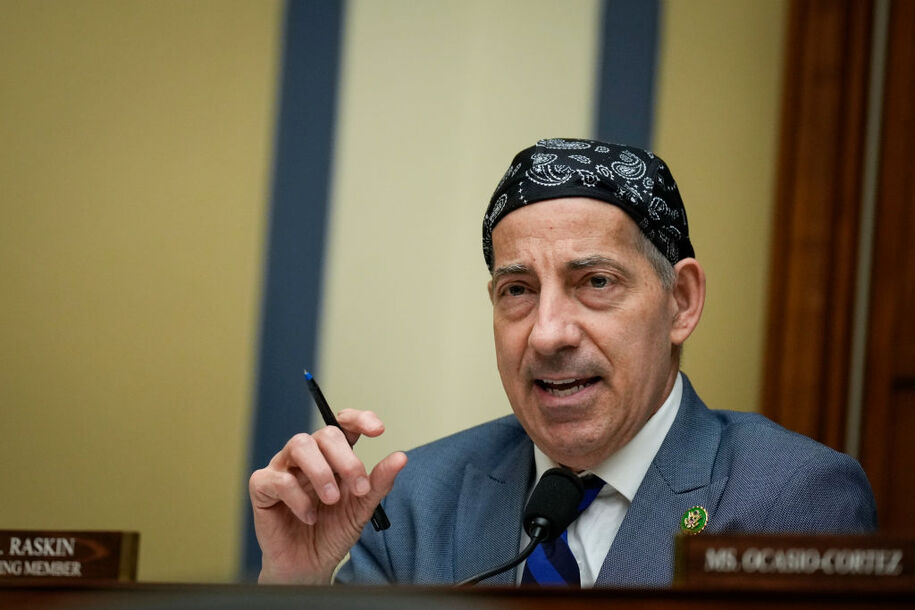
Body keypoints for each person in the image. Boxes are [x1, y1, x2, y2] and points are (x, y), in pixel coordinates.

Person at [248, 138, 877, 587]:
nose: (547, 334)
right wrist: (293, 586)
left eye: (596, 282)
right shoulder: (417, 499)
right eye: (517, 291)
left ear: (680, 302)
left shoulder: (792, 498)